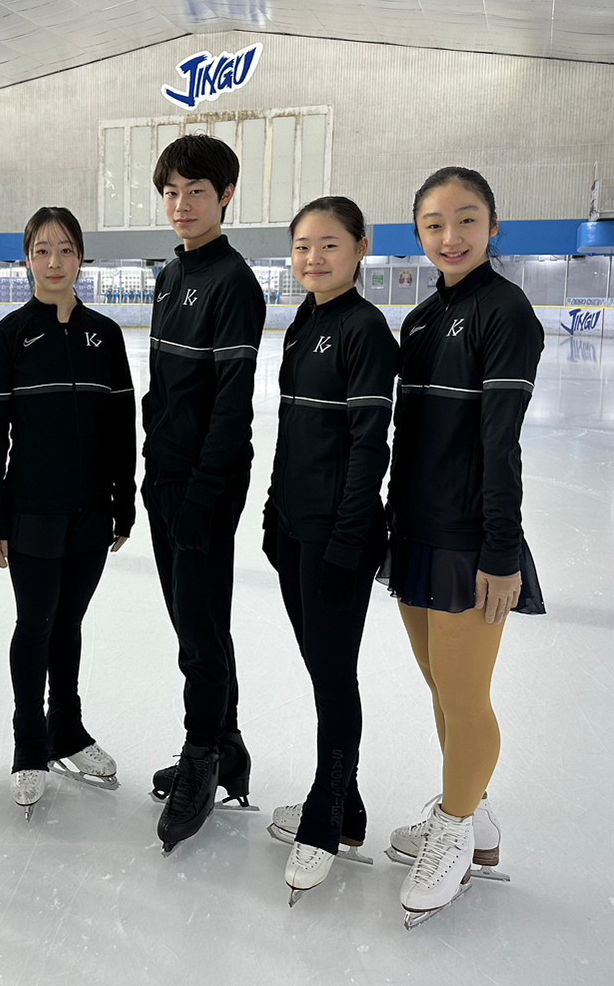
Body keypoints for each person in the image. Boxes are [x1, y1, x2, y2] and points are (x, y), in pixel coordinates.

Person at [380, 167, 545, 927]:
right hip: (413, 529)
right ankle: (469, 817)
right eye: (435, 223)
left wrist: (500, 552)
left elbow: (499, 444)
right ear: (417, 233)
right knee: (440, 686)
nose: (451, 236)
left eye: (466, 219)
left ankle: (452, 830)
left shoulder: (504, 312)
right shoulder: (417, 320)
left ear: (492, 227)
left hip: (470, 539)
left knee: (465, 691)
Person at [260, 198, 397, 904]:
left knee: (334, 676)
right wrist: (271, 513)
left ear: (360, 247)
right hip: (294, 527)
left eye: (329, 244)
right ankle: (345, 806)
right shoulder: (303, 322)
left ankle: (322, 820)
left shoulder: (364, 329)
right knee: (320, 670)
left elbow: (368, 445)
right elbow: (292, 433)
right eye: (303, 246)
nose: (313, 258)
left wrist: (347, 535)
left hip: (335, 536)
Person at [0, 207, 136, 817]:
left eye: (65, 249)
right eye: (42, 250)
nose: (54, 262)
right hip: (34, 510)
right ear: (27, 259)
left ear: (80, 258)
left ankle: (66, 729)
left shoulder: (106, 334)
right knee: (36, 623)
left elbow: (122, 423)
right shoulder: (10, 335)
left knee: (69, 624)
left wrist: (124, 500)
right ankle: (29, 745)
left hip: (92, 511)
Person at [142, 134, 266, 853]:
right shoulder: (169, 276)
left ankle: (202, 755)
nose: (181, 204)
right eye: (170, 191)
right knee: (195, 622)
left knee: (199, 631)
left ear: (224, 196)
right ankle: (229, 746)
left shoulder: (232, 283)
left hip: (204, 486)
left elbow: (230, 405)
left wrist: (203, 491)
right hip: (165, 477)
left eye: (195, 191)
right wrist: (154, 468)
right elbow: (165, 390)